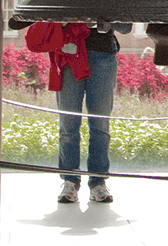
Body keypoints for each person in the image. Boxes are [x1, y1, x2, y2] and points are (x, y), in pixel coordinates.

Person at [25, 19, 132, 204]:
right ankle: (70, 180)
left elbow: (126, 25)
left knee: (99, 125)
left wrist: (105, 17)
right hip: (70, 53)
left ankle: (97, 181)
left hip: (102, 55)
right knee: (69, 124)